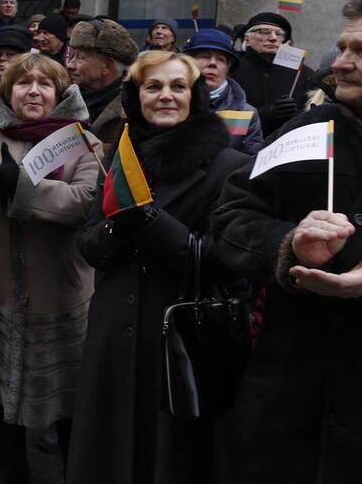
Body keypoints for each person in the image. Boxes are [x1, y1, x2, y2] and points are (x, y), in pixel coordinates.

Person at [67, 51, 249, 484]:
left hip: (182, 341)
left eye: (177, 87)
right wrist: (119, 229)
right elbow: (90, 245)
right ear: (137, 97)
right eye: (153, 87)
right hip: (115, 335)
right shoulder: (121, 158)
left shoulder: (230, 166)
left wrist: (151, 221)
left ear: (195, 97)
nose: (166, 96)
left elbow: (228, 260)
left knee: (173, 458)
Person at [212, 0, 362, 483]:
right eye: (342, 48)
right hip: (295, 376)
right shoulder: (308, 130)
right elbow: (232, 215)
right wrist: (288, 244)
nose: (340, 62)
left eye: (360, 51)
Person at [0, 52, 102, 481]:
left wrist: (19, 185)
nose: (33, 91)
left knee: (67, 395)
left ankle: (75, 469)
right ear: (7, 93)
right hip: (2, 294)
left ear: (60, 93)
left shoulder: (84, 142)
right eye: (22, 83)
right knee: (1, 392)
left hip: (60, 296)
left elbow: (83, 203)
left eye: (44, 84)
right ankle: (11, 465)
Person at [181, 28, 263, 154]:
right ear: (188, 63)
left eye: (221, 59)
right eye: (205, 56)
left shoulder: (246, 113)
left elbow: (250, 160)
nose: (213, 63)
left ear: (228, 68)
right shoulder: (172, 103)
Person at [232, 12, 313, 137]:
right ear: (247, 39)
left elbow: (314, 116)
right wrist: (266, 115)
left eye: (279, 34)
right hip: (243, 150)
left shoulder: (301, 73)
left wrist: (297, 117)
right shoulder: (232, 70)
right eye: (264, 32)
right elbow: (225, 121)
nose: (273, 38)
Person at [67, 18, 139, 150]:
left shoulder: (134, 109)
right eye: (71, 56)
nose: (70, 65)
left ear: (107, 65)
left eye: (80, 58)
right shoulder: (61, 98)